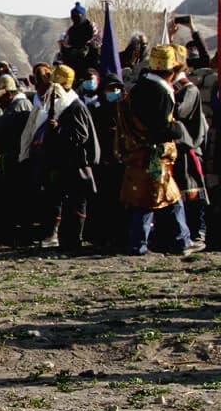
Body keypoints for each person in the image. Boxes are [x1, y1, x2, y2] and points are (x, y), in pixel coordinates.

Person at [116, 44, 204, 256]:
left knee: (157, 198)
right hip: (154, 154)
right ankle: (166, 243)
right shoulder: (160, 93)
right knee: (155, 198)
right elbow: (160, 128)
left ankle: (172, 240)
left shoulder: (139, 88)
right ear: (171, 72)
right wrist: (178, 129)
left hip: (139, 152)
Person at [32, 65, 99, 250]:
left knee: (77, 202)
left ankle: (73, 241)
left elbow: (80, 135)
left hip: (77, 164)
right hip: (65, 163)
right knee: (65, 201)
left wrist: (58, 129)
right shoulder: (63, 105)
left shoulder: (75, 107)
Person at [0, 75, 34, 246]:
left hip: (16, 158)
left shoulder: (17, 107)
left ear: (9, 95)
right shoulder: (24, 104)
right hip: (19, 157)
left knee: (18, 198)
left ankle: (20, 236)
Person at [171, 47, 210, 246]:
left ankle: (197, 232)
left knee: (192, 193)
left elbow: (180, 111)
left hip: (188, 148)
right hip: (176, 150)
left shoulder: (189, 90)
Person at [86, 73, 126, 250]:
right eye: (110, 89)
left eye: (117, 89)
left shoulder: (125, 111)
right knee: (102, 203)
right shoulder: (96, 111)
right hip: (103, 164)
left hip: (122, 164)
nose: (114, 92)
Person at [59, 2, 100, 83]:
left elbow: (95, 38)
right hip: (75, 58)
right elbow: (66, 43)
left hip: (90, 57)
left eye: (78, 15)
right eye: (73, 16)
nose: (75, 18)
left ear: (82, 15)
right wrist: (69, 49)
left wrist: (87, 47)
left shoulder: (91, 26)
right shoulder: (71, 30)